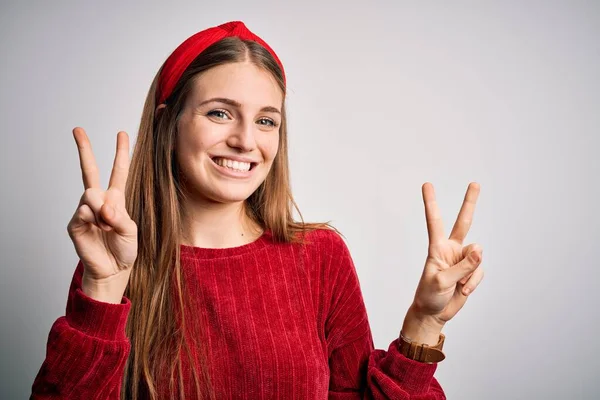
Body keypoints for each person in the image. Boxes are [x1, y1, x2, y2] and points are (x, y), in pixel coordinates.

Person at [30, 20, 484, 400]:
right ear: (167, 122)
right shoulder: (116, 263)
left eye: (266, 120)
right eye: (219, 113)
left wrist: (425, 320)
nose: (246, 141)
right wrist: (103, 287)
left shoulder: (320, 257)